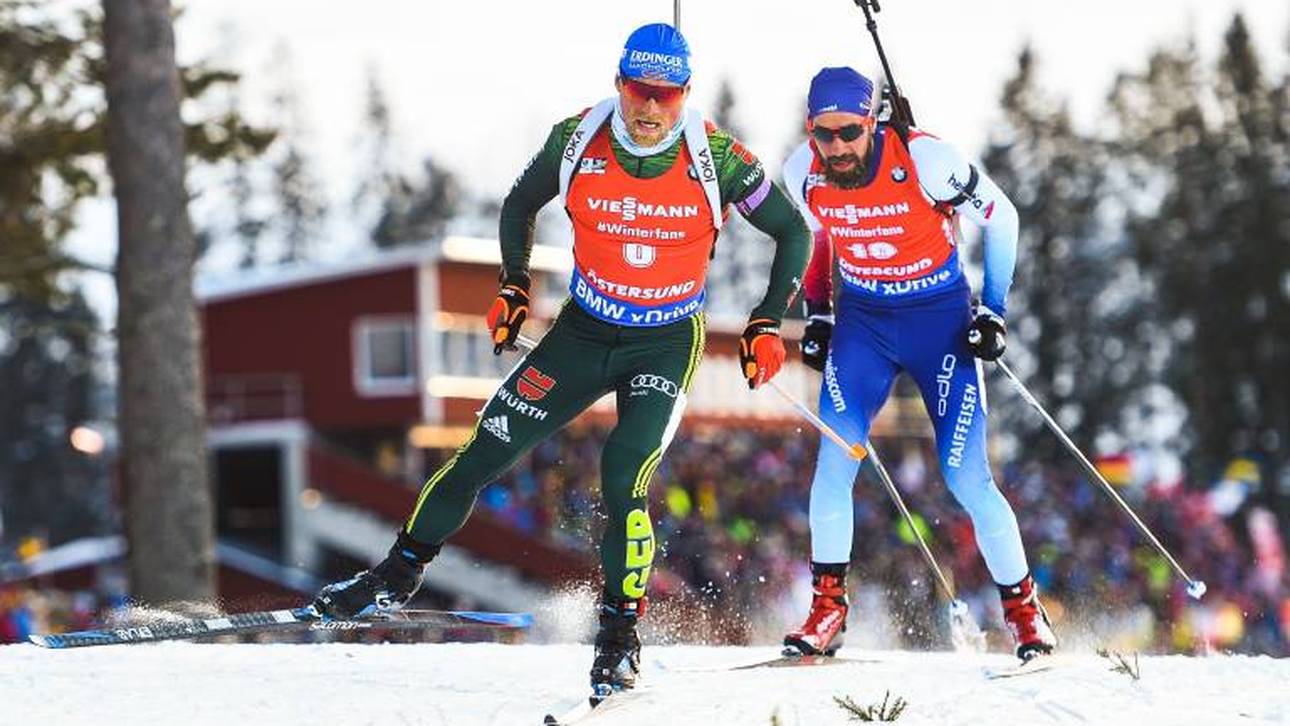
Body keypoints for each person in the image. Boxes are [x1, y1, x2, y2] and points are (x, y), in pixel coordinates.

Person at [311, 24, 810, 698]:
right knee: (483, 449)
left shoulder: (717, 157)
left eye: (665, 93)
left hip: (663, 340)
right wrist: (514, 283)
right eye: (639, 88)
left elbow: (791, 230)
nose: (650, 105)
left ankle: (617, 638)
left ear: (685, 93)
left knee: (623, 476)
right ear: (619, 82)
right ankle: (393, 575)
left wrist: (764, 322)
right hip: (582, 331)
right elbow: (521, 202)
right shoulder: (576, 138)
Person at [779, 66, 1056, 661]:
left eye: (849, 132)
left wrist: (995, 309)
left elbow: (1000, 217)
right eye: (823, 135)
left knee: (965, 477)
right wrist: (820, 312)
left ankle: (1025, 612)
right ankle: (828, 611)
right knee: (834, 462)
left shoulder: (927, 159)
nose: (836, 148)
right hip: (865, 328)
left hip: (940, 326)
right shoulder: (801, 171)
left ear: (871, 122)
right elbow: (815, 235)